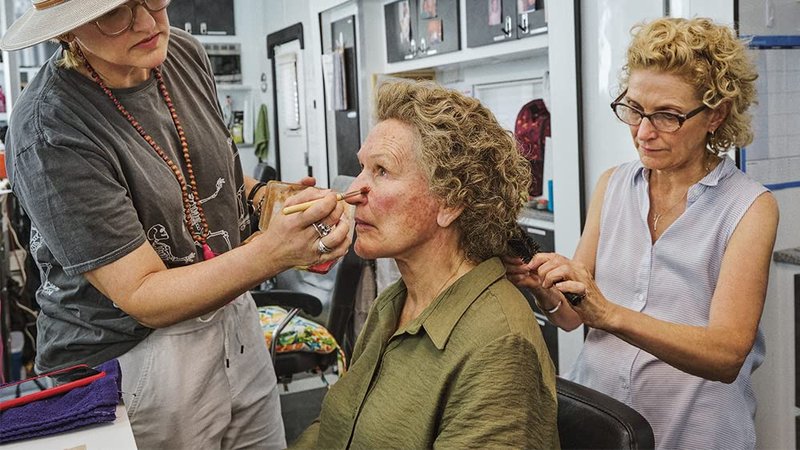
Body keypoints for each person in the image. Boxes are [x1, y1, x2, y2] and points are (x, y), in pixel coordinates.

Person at [0, 1, 352, 448]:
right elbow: (143, 294)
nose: (148, 23)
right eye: (116, 13)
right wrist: (273, 253)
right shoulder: (49, 125)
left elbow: (215, 177)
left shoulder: (181, 53)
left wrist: (267, 199)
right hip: (134, 359)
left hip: (232, 318)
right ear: (66, 32)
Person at [505, 17, 779, 449]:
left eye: (668, 116)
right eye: (634, 109)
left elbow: (727, 354)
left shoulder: (749, 207)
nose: (643, 132)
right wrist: (546, 289)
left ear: (716, 114)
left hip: (695, 434)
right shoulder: (612, 185)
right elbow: (572, 316)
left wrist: (609, 313)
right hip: (602, 426)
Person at [292, 80, 559, 449]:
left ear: (450, 202)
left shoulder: (499, 344)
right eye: (363, 169)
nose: (353, 192)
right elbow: (335, 426)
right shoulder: (392, 304)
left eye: (381, 171)